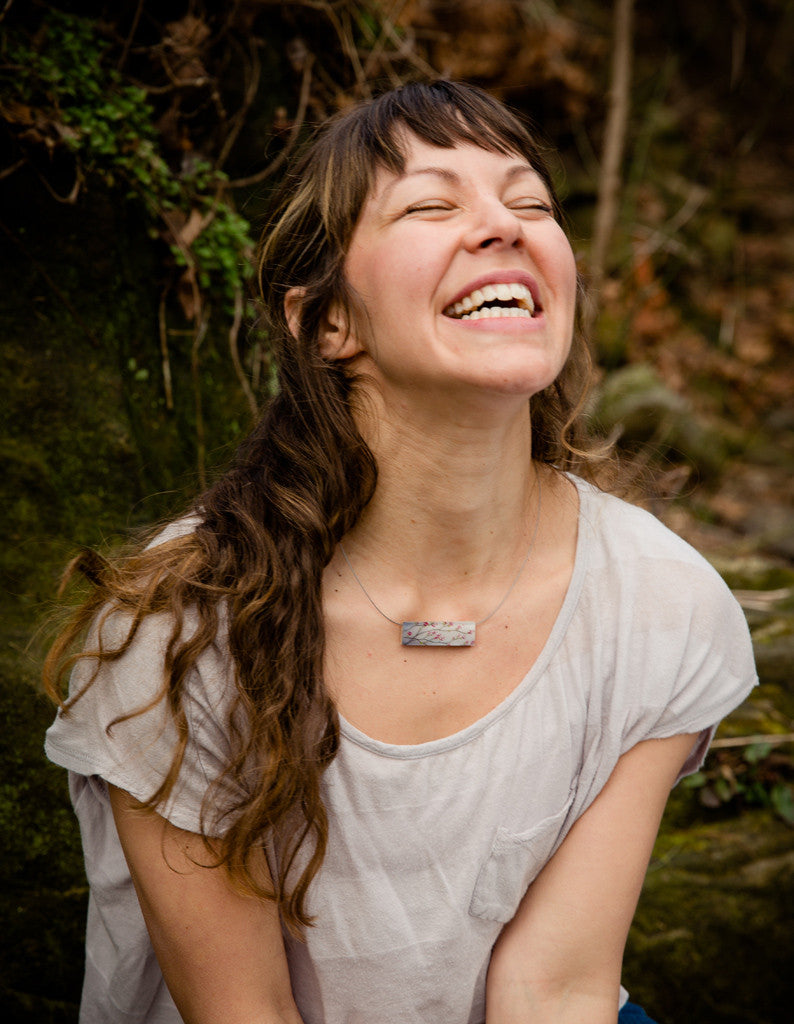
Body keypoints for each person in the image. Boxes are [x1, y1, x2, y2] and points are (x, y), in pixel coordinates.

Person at [44, 80, 757, 1024]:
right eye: (431, 205)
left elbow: (554, 989)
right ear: (326, 322)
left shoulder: (665, 606)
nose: (504, 226)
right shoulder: (180, 628)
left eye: (531, 202)